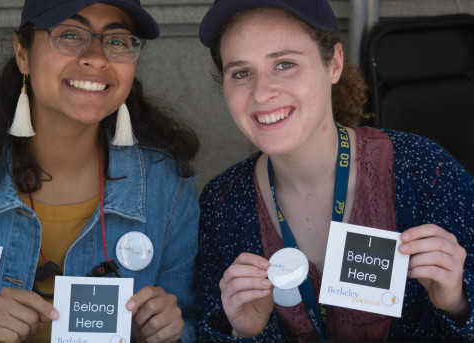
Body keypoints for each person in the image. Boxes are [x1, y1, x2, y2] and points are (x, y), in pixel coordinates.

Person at [0, 0, 200, 342]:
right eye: (70, 34)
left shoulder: (167, 183)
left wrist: (167, 332)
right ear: (23, 52)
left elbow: (192, 321)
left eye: (117, 40)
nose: (97, 57)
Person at [195, 0, 474, 341]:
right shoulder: (222, 202)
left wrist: (459, 303)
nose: (262, 92)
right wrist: (242, 332)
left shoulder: (424, 169)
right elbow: (206, 328)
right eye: (241, 72)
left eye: (284, 64)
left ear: (334, 64)